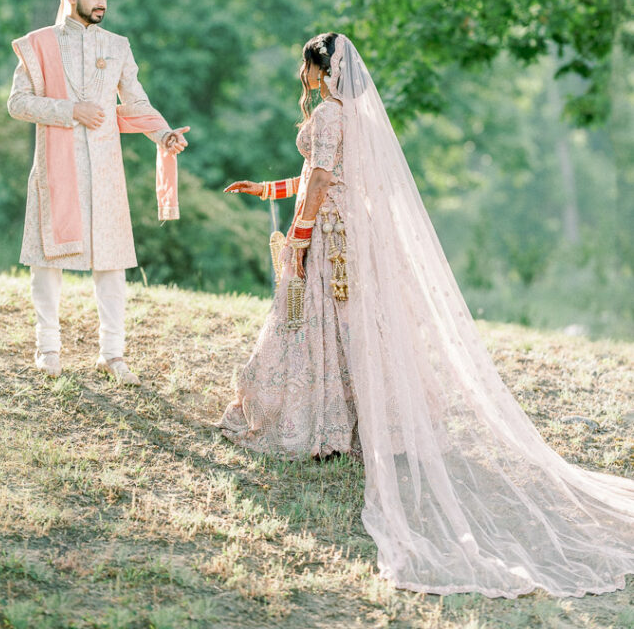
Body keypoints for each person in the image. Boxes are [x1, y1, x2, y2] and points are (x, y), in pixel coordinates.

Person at [220, 32, 634, 598]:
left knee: (309, 321)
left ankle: (320, 426)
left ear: (322, 70)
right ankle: (352, 424)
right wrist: (265, 187)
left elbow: (320, 180)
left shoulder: (331, 115)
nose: (303, 75)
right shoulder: (357, 119)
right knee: (343, 326)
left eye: (307, 66)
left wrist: (301, 234)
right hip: (348, 228)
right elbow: (324, 176)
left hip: (330, 234)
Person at [8, 0, 189, 384]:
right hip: (56, 171)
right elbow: (17, 103)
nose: (102, 3)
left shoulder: (119, 46)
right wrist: (71, 110)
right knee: (48, 263)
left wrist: (163, 133)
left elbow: (136, 101)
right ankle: (47, 348)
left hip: (106, 173)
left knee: (111, 264)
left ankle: (113, 353)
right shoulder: (39, 45)